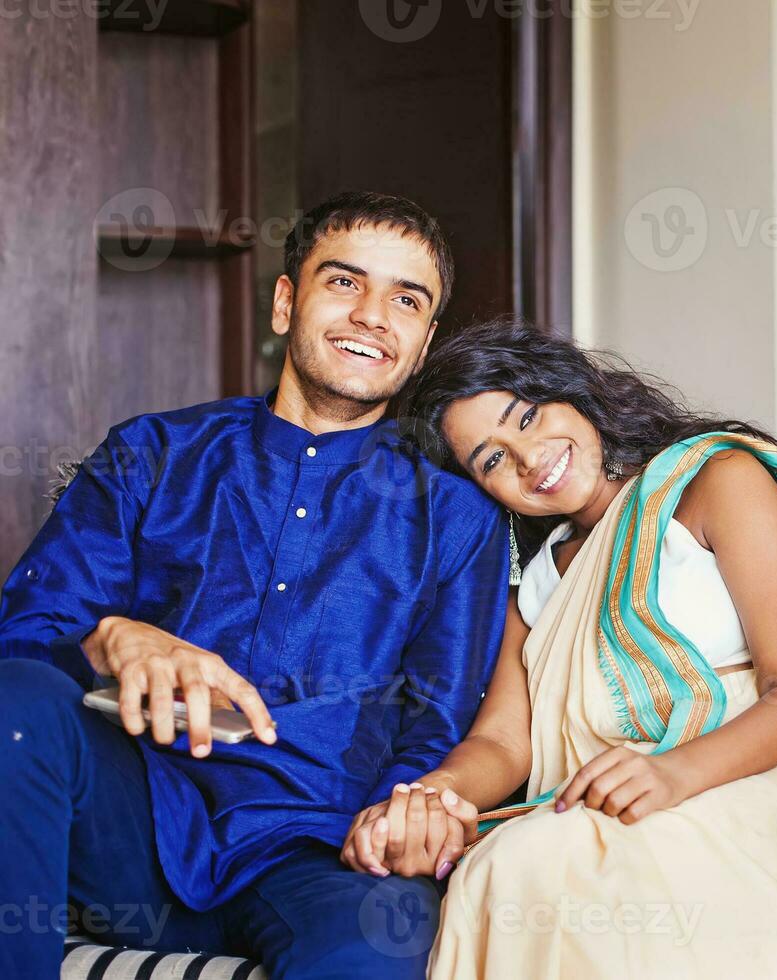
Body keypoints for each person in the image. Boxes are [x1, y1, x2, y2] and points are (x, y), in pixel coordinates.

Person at [350, 321, 777, 978]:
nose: (529, 457)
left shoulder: (716, 481)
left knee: (557, 866)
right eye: (491, 458)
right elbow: (505, 745)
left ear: (574, 393)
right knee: (506, 865)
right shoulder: (536, 583)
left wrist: (673, 773)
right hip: (631, 799)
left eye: (530, 416)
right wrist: (430, 797)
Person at [0, 192, 511, 978]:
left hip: (318, 853)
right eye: (344, 283)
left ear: (422, 342)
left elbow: (437, 723)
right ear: (285, 303)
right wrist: (111, 639)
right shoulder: (151, 454)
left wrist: (400, 816)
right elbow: (24, 637)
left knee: (379, 943)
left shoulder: (456, 513)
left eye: (405, 300)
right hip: (131, 824)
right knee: (18, 705)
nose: (373, 314)